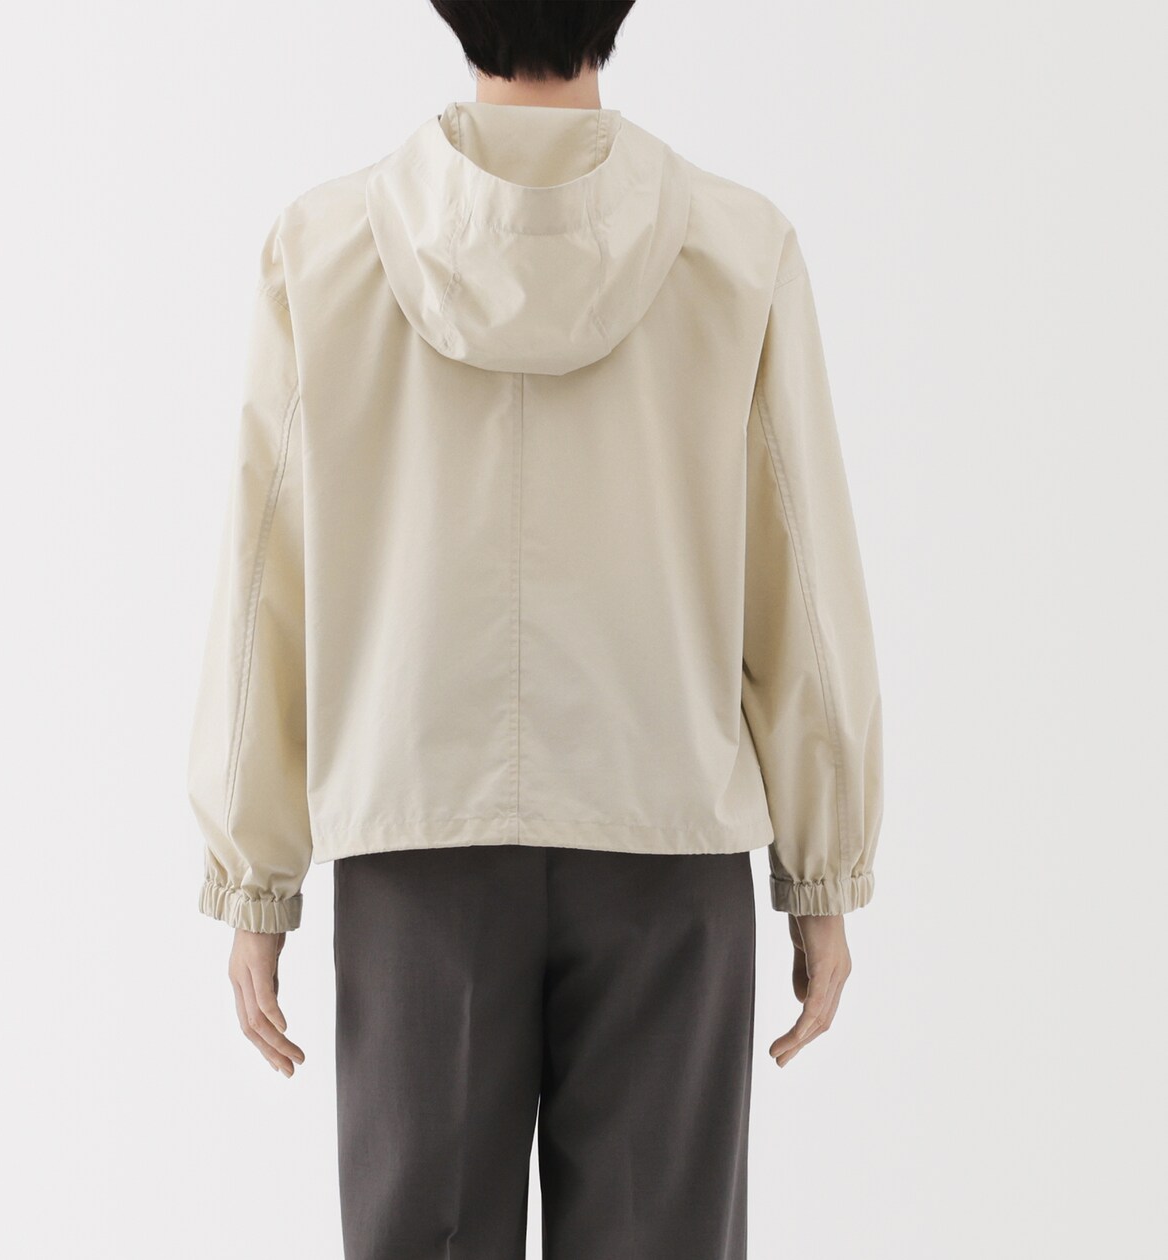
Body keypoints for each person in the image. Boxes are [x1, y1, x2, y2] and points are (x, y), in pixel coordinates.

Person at [186, 2, 884, 1255]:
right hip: (665, 840)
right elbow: (805, 583)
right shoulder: (737, 248)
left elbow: (264, 576)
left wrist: (255, 875)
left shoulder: (323, 250)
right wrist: (823, 875)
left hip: (418, 846)